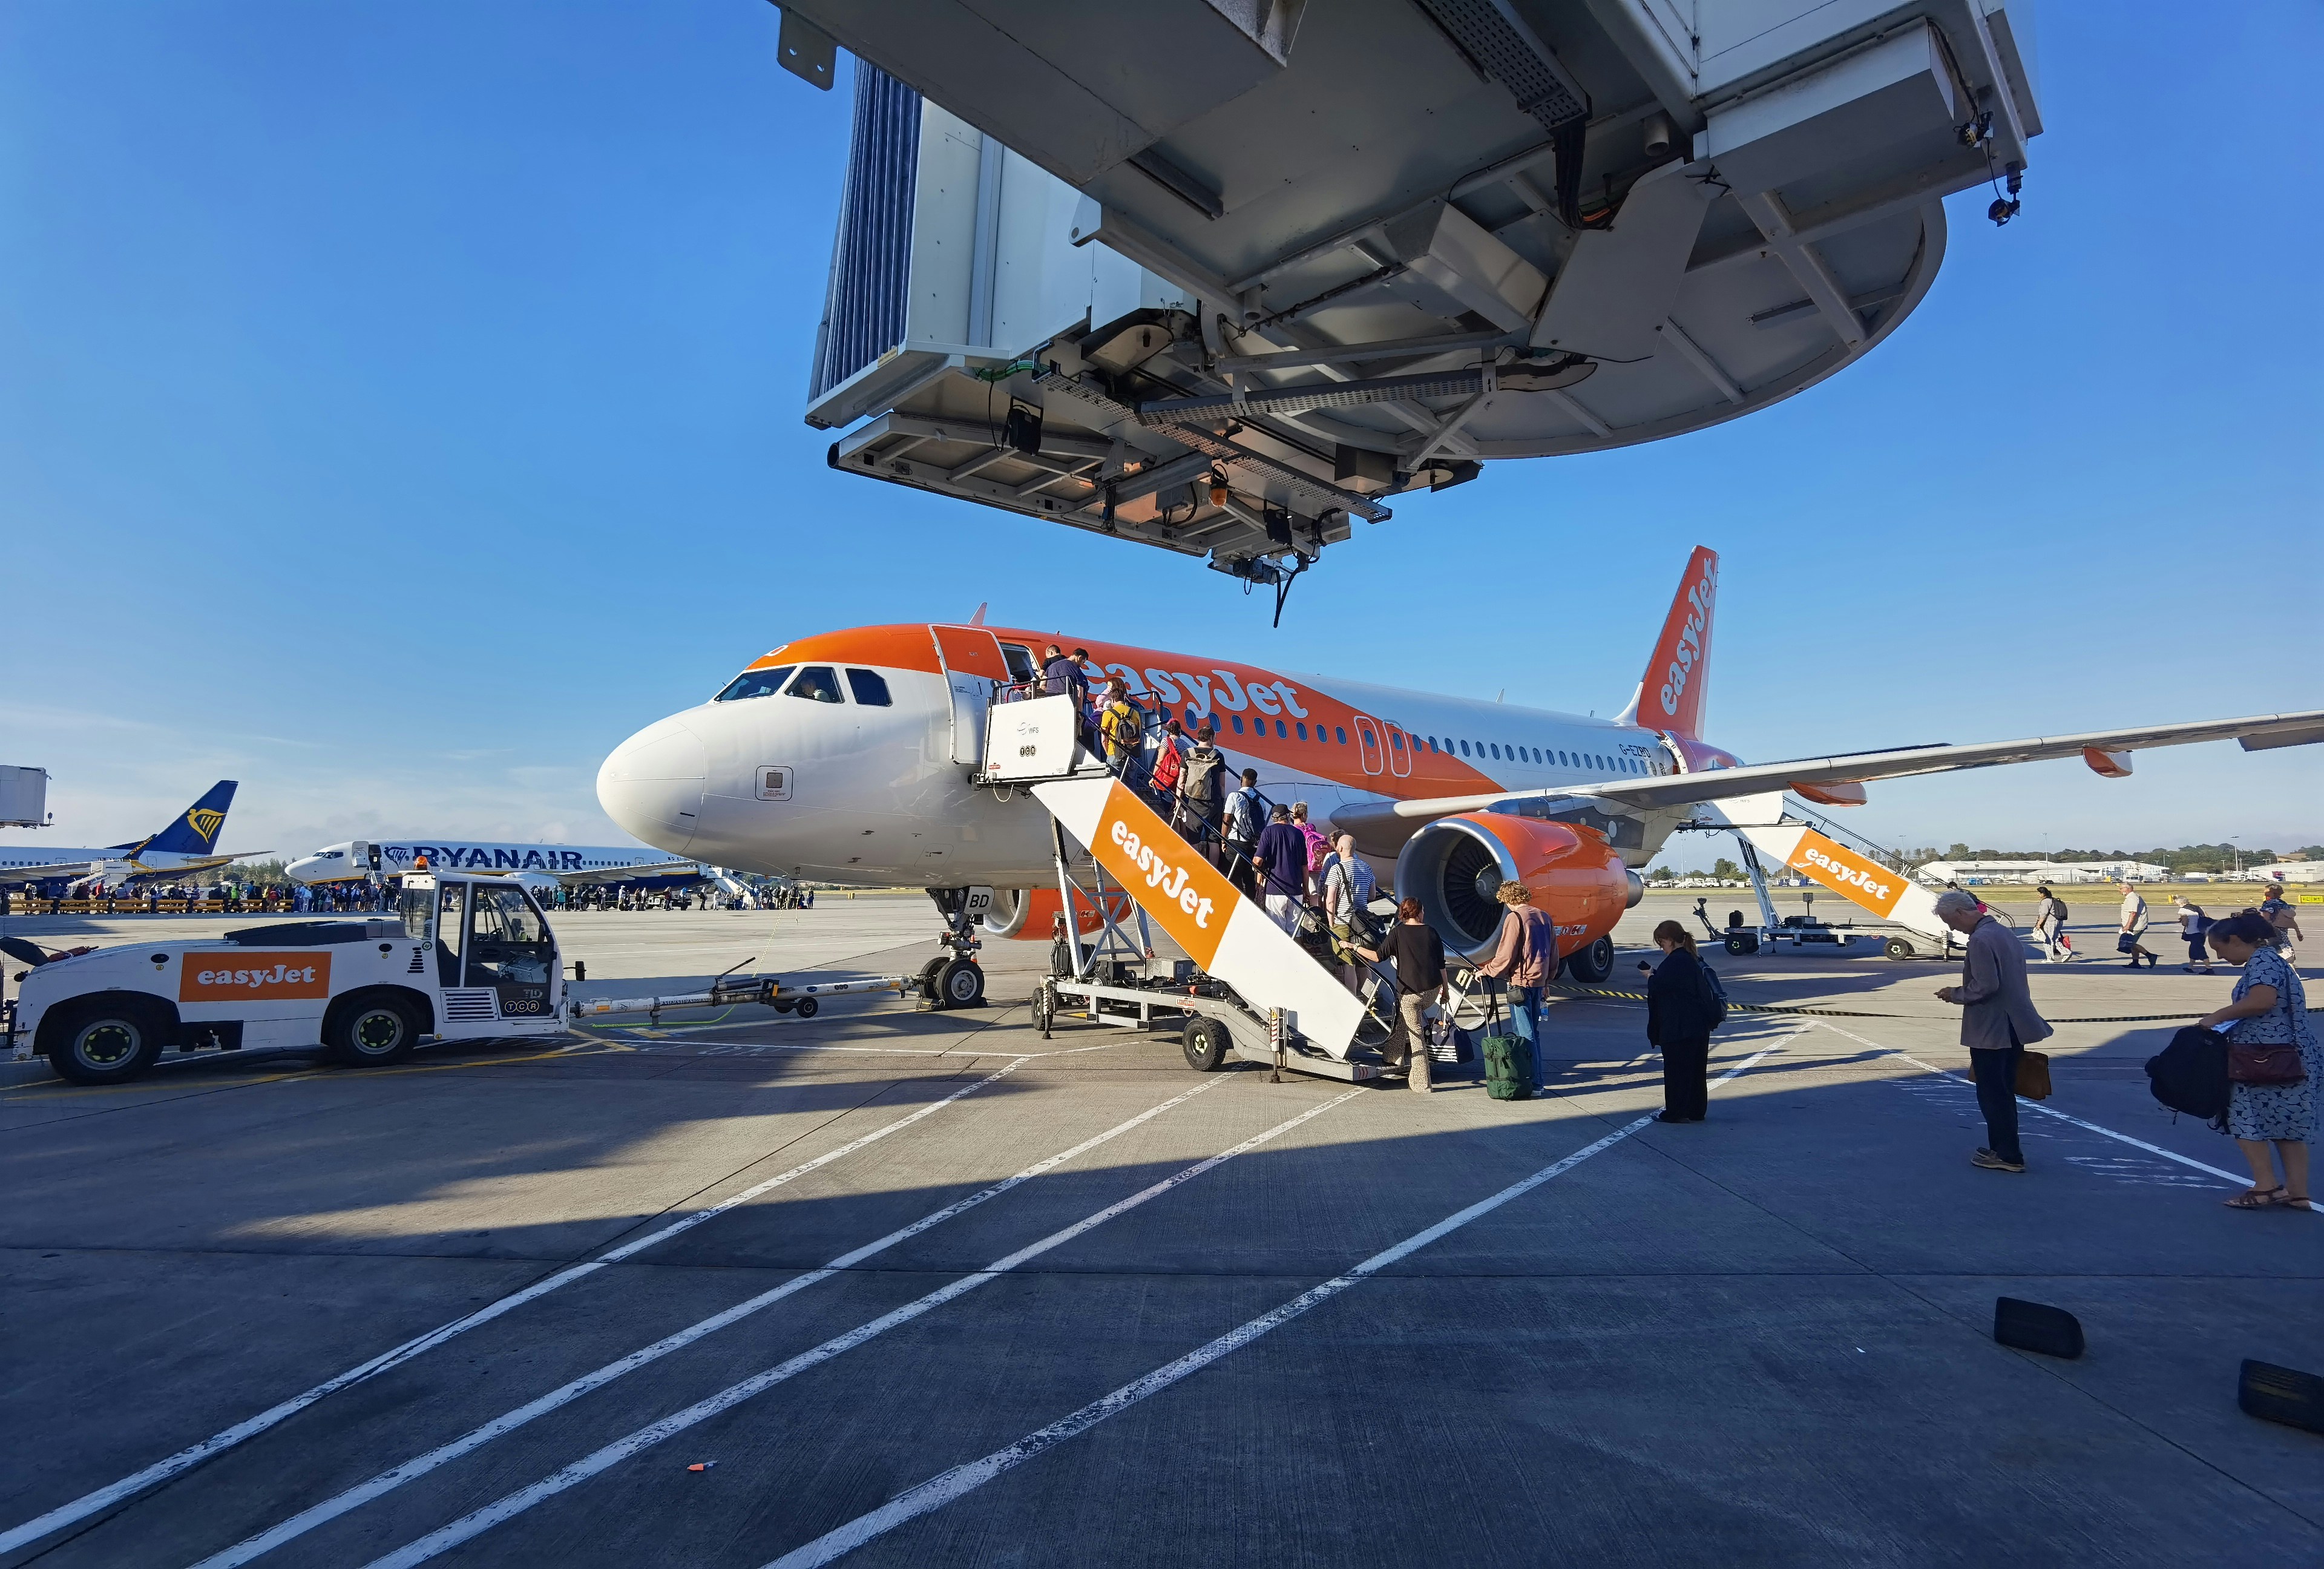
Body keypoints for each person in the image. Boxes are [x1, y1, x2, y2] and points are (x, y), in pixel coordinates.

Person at [2199, 910, 2317, 1209]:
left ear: (2236, 940)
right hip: (2292, 1056)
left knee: (2246, 1119)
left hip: (2264, 1058)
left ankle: (2265, 1186)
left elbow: (2262, 1001)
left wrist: (2215, 1018)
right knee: (2288, 1127)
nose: (2221, 956)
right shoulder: (2274, 960)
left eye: (2220, 949)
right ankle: (2297, 1192)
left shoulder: (2262, 962)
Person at [1934, 888, 2053, 1173]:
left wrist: (1956, 993)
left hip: (1993, 1028)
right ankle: (2003, 1148)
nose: (1951, 927)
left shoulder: (1981, 940)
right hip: (2013, 1025)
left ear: (1962, 913)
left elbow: (1986, 986)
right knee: (2003, 1090)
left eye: (1950, 921)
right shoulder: (2002, 933)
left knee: (1993, 1093)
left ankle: (2008, 1155)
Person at [1358, 898, 1448, 1094]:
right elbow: (1442, 966)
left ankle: (1421, 1082)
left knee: (1416, 1037)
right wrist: (1446, 993)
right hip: (1431, 991)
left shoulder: (1398, 933)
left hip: (1409, 993)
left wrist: (1355, 947)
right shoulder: (1432, 932)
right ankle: (1392, 1054)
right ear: (1419, 912)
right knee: (1401, 1020)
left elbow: (1377, 956)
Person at [1476, 881, 1554, 1092]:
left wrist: (1487, 970)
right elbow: (1553, 952)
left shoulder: (1516, 918)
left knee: (1524, 1034)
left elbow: (1506, 954)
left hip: (1521, 983)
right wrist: (1547, 980)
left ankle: (1535, 1082)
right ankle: (1533, 1078)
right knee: (1533, 1033)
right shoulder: (1544, 916)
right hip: (1539, 981)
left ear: (1508, 899)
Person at [1643, 919, 1718, 1122]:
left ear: (1669, 940)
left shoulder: (1675, 961)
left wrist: (1650, 976)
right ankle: (1696, 1110)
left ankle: (1675, 1112)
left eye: (1662, 943)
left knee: (1677, 1071)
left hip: (1679, 1027)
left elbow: (1659, 987)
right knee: (1696, 1071)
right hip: (1699, 1025)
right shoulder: (1691, 958)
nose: (1662, 948)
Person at [1321, 833, 1378, 996]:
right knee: (1363, 962)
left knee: (1348, 963)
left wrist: (1331, 922)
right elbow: (1372, 895)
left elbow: (1330, 900)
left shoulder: (1336, 869)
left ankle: (1353, 997)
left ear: (1339, 848)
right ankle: (1370, 998)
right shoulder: (1366, 867)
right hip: (1361, 922)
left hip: (1342, 920)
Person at [1253, 804, 1309, 934]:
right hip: (1296, 889)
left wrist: (1257, 871)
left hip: (1275, 888)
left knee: (1278, 932)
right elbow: (1304, 866)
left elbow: (1258, 860)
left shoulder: (1268, 832)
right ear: (1288, 816)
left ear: (1274, 817)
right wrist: (1306, 890)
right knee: (1295, 932)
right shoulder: (1298, 833)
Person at [1173, 725, 1226, 858]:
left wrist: (1178, 799)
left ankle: (1195, 865)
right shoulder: (1218, 756)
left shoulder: (1188, 754)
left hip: (1194, 802)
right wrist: (1223, 802)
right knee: (1214, 840)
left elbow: (1181, 779)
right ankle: (1214, 870)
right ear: (1210, 738)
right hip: (1214, 802)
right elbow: (1222, 784)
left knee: (1193, 838)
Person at [1223, 768, 1265, 895]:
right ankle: (1250, 901)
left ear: (1241, 779)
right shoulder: (1260, 801)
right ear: (1255, 782)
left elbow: (1227, 819)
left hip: (1236, 842)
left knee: (1234, 875)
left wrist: (1223, 840)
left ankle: (1236, 899)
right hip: (1252, 845)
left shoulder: (1234, 796)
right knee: (1249, 877)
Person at [1097, 677, 1142, 772]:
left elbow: (1103, 740)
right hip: (1132, 755)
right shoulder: (1135, 713)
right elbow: (1139, 732)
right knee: (1130, 786)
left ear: (1113, 699)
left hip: (1114, 753)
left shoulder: (1108, 713)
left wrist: (1108, 754)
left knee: (1116, 785)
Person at [2118, 880, 2158, 969]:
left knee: (2129, 944)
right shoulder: (2131, 897)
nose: (2119, 890)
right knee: (2131, 944)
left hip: (2135, 926)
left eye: (2121, 888)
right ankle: (2135, 962)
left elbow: (2133, 913)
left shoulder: (2132, 898)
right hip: (2133, 925)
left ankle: (2150, 956)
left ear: (2127, 889)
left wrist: (2128, 926)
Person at [2259, 882, 2303, 961]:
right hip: (2283, 929)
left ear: (2273, 893)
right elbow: (2290, 919)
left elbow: (2265, 916)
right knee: (2283, 945)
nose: (2265, 893)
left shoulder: (2268, 903)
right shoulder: (2283, 903)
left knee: (2272, 948)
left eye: (2267, 892)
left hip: (2272, 929)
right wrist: (2298, 932)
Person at [1147, 717, 1186, 808]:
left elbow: (1160, 759)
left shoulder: (1166, 741)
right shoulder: (1185, 745)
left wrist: (1154, 777)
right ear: (1179, 730)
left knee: (1167, 806)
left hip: (1168, 779)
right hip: (1179, 779)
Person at [2030, 884, 2072, 964]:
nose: (2038, 895)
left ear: (2043, 894)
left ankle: (2050, 958)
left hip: (2050, 922)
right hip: (2058, 922)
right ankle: (2066, 953)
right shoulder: (2052, 900)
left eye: (2039, 893)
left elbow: (2044, 914)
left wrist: (2038, 924)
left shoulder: (2045, 901)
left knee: (2048, 940)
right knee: (2054, 939)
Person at [2173, 895, 2213, 974]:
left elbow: (2185, 923)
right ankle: (2190, 967)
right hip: (2202, 932)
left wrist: (2182, 920)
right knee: (2193, 949)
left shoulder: (2182, 910)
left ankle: (2209, 968)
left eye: (2176, 903)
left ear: (2181, 902)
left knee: (2199, 950)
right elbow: (2207, 917)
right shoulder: (2199, 907)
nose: (2176, 904)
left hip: (2193, 932)